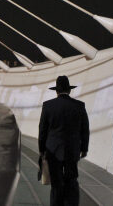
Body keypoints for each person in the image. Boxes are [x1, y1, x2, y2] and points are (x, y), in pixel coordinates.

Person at [39, 75, 89, 206]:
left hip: (53, 150)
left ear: (56, 91)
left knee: (56, 183)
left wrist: (41, 150)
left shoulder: (48, 106)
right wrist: (84, 148)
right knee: (71, 180)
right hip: (72, 150)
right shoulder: (79, 106)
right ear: (70, 90)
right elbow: (85, 129)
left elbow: (42, 130)